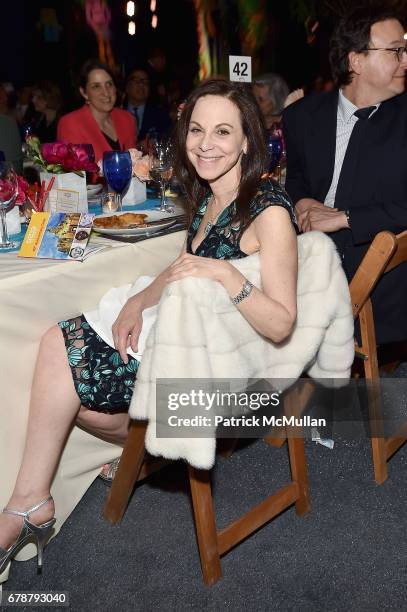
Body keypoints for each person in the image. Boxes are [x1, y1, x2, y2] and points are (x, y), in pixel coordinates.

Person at [0, 78, 297, 583]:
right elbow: (185, 263)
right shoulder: (211, 196)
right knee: (59, 353)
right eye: (197, 130)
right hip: (187, 335)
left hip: (219, 367)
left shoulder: (267, 210)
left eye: (223, 131)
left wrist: (227, 277)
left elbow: (283, 321)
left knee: (63, 369)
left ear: (248, 139)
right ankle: (32, 501)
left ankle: (29, 505)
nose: (206, 143)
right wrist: (140, 299)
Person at [283, 5, 407, 345]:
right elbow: (295, 178)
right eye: (396, 50)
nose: (406, 60)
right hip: (306, 260)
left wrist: (346, 218)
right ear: (356, 61)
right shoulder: (301, 117)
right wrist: (302, 200)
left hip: (379, 281)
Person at [57, 60, 136, 161]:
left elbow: (135, 164)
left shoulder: (127, 119)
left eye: (109, 84)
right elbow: (73, 174)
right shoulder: (70, 124)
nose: (106, 93)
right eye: (96, 86)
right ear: (84, 93)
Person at [124, 66, 172, 145]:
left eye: (145, 82)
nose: (141, 84)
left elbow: (168, 140)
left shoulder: (160, 115)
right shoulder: (115, 114)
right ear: (127, 87)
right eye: (137, 81)